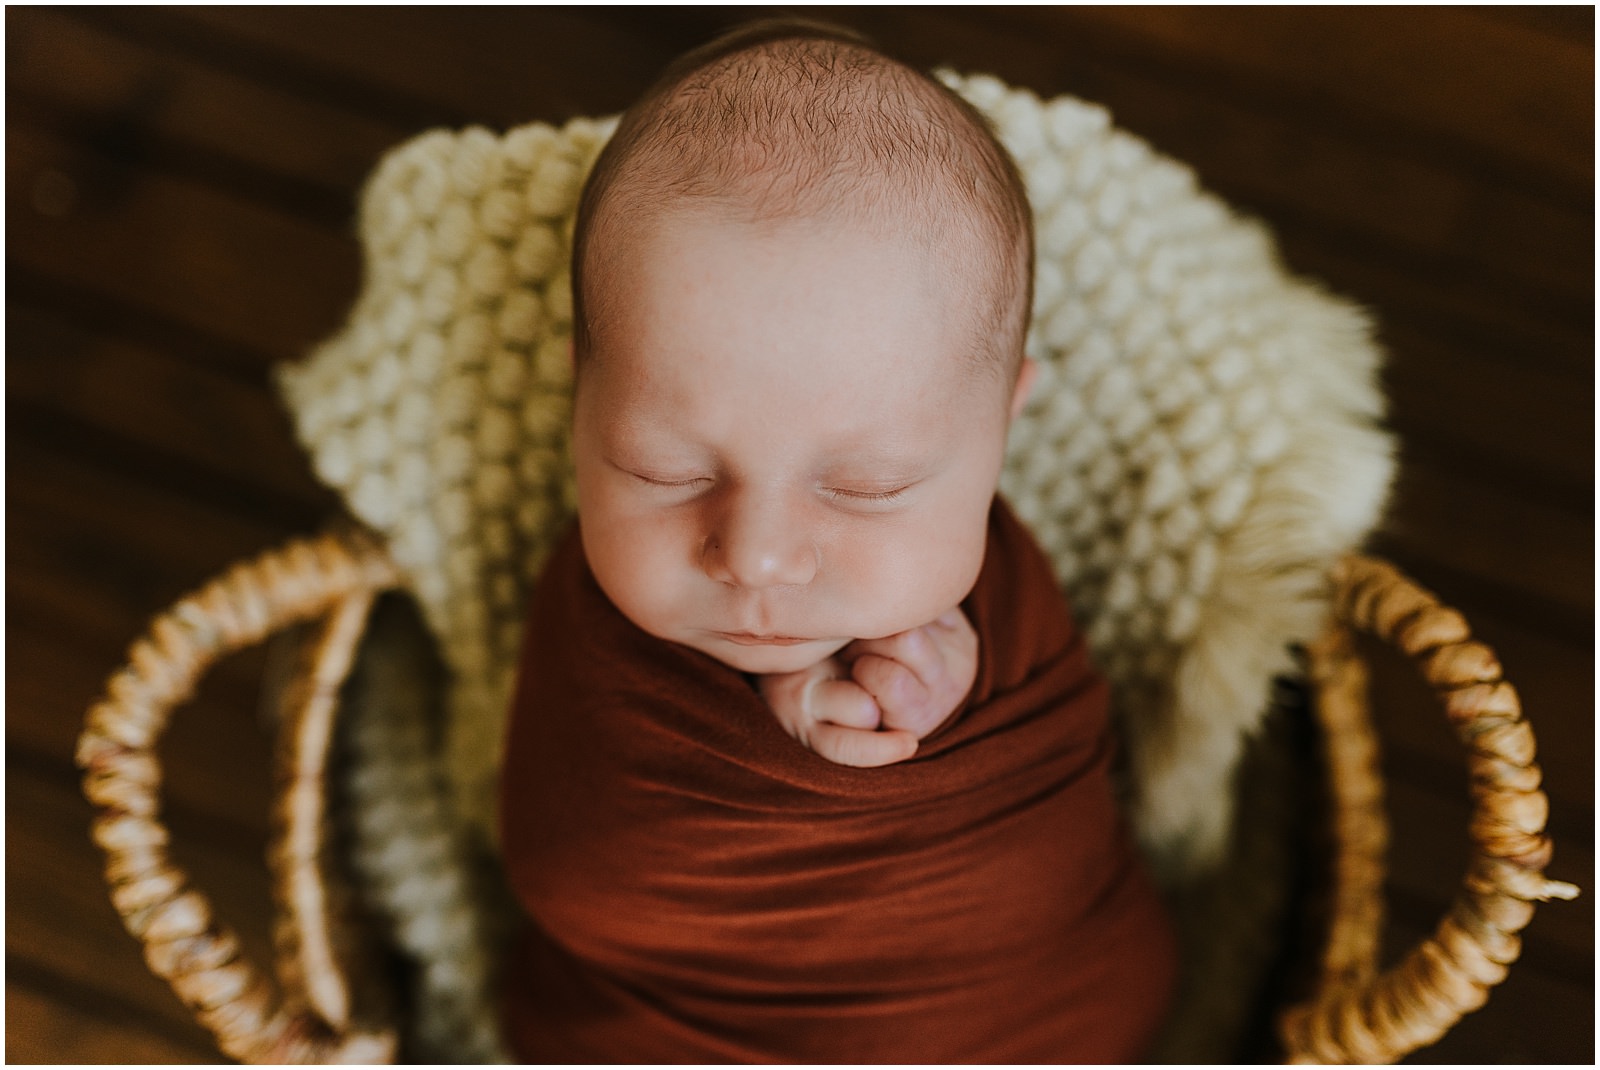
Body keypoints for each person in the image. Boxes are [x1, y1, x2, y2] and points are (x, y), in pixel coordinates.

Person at [498, 20, 1176, 1062]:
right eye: (664, 469)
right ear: (577, 399)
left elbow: (1046, 839)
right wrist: (790, 754)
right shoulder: (585, 618)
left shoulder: (1003, 593)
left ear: (1000, 430)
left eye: (869, 485)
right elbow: (574, 860)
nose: (758, 557)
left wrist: (937, 710)